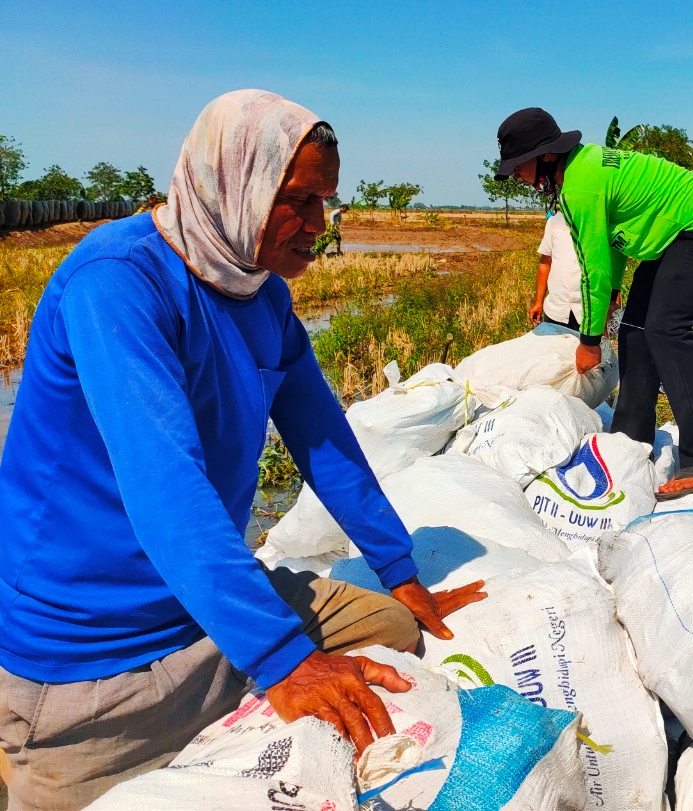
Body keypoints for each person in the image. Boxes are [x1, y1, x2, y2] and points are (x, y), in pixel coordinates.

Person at [0, 91, 485, 811]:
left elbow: (325, 441)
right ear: (235, 187)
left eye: (327, 202)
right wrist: (284, 662)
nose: (320, 226)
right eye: (301, 201)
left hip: (208, 613)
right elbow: (168, 489)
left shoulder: (262, 297)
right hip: (99, 659)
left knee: (391, 628)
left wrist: (399, 569)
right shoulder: (118, 285)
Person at [494, 107, 693, 499]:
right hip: (669, 240)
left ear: (545, 156)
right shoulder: (579, 170)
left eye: (519, 166)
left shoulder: (580, 186)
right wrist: (610, 297)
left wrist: (589, 341)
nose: (518, 176)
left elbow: (591, 267)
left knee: (666, 330)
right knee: (636, 331)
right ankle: (630, 439)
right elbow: (613, 240)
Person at [528, 209, 583, 330]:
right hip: (556, 309)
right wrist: (538, 302)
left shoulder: (604, 224)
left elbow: (614, 275)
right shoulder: (555, 222)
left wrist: (614, 308)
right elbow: (545, 262)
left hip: (590, 313)